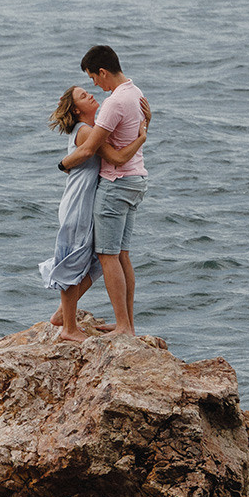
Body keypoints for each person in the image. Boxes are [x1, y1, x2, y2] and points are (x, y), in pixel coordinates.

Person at [42, 73, 148, 340]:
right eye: (82, 95)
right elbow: (118, 157)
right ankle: (68, 328)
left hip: (85, 201)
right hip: (78, 203)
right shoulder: (87, 132)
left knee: (96, 263)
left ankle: (62, 313)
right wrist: (142, 137)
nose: (90, 94)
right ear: (77, 110)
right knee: (73, 259)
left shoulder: (90, 130)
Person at [80, 44, 149, 335]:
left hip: (116, 184)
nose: (95, 85)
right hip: (136, 180)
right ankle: (128, 324)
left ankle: (122, 325)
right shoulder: (136, 92)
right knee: (122, 254)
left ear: (103, 72)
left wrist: (63, 163)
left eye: (93, 78)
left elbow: (90, 148)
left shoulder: (114, 103)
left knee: (108, 256)